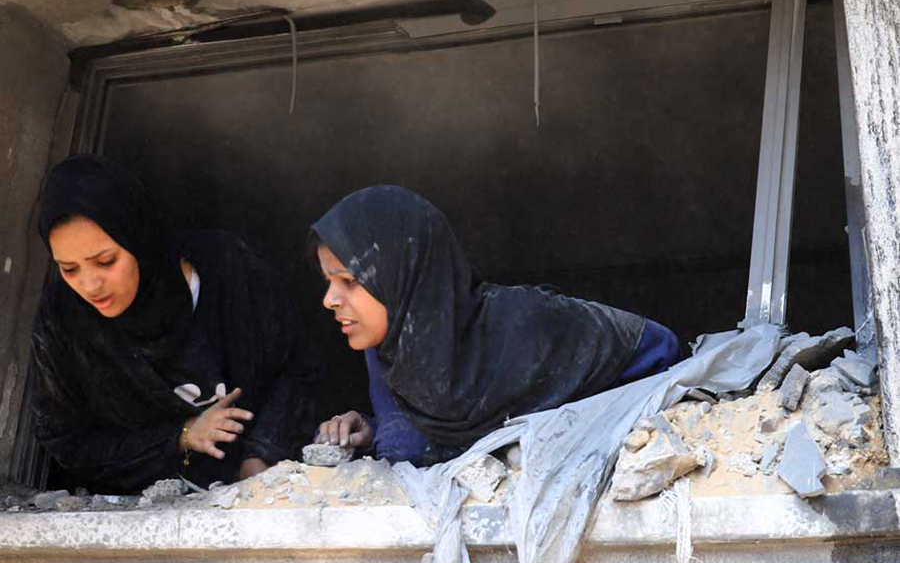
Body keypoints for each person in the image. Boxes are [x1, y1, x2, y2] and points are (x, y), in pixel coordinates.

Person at [311, 185, 680, 466]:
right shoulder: (389, 353)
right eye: (329, 282)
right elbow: (418, 438)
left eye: (349, 281)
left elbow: (660, 347)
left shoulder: (528, 327)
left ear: (403, 276)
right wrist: (371, 429)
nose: (329, 300)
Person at [29, 155, 320, 493]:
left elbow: (296, 368)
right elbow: (67, 439)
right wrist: (181, 436)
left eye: (105, 261)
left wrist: (262, 457)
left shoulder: (225, 269)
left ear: (137, 239)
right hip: (146, 513)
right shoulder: (64, 319)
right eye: (69, 269)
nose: (90, 285)